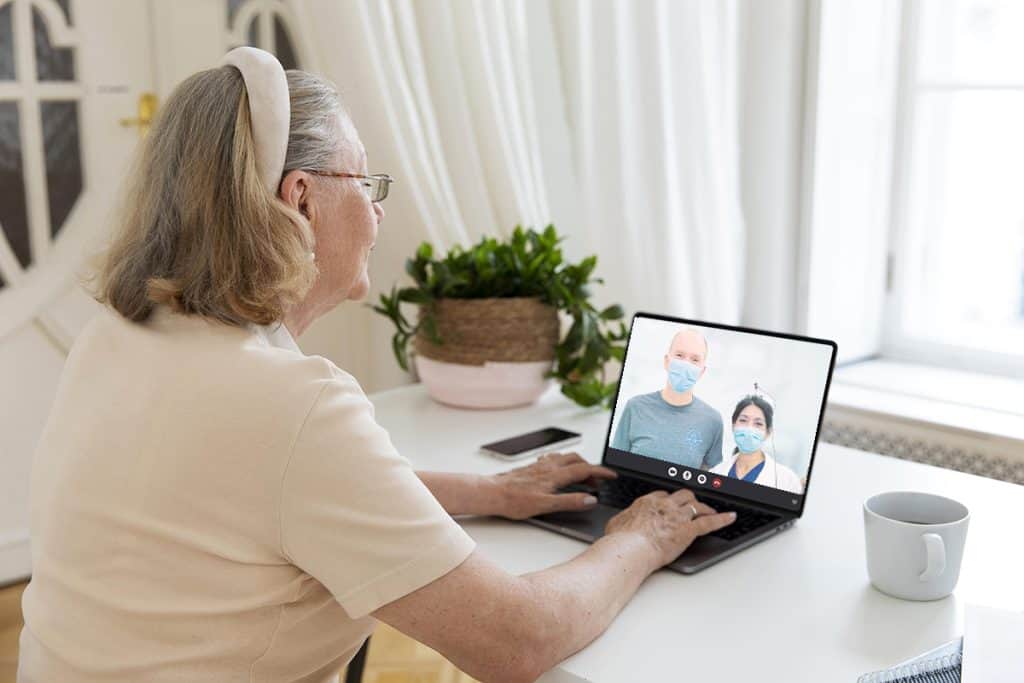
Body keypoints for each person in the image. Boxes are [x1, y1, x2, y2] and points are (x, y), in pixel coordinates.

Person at [16, 48, 735, 683]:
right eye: (365, 180)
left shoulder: (118, 338)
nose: (378, 210)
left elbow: (268, 498)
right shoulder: (290, 404)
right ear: (299, 200)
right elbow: (518, 639)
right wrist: (642, 536)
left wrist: (489, 492)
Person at [610, 328, 724, 469]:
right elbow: (615, 464)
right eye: (679, 355)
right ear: (666, 361)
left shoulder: (712, 421)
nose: (686, 364)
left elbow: (707, 475)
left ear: (702, 371)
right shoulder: (636, 407)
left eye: (695, 360)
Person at [710, 395, 803, 494]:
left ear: (768, 433)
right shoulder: (716, 472)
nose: (749, 428)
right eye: (743, 420)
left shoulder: (787, 480)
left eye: (758, 424)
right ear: (733, 426)